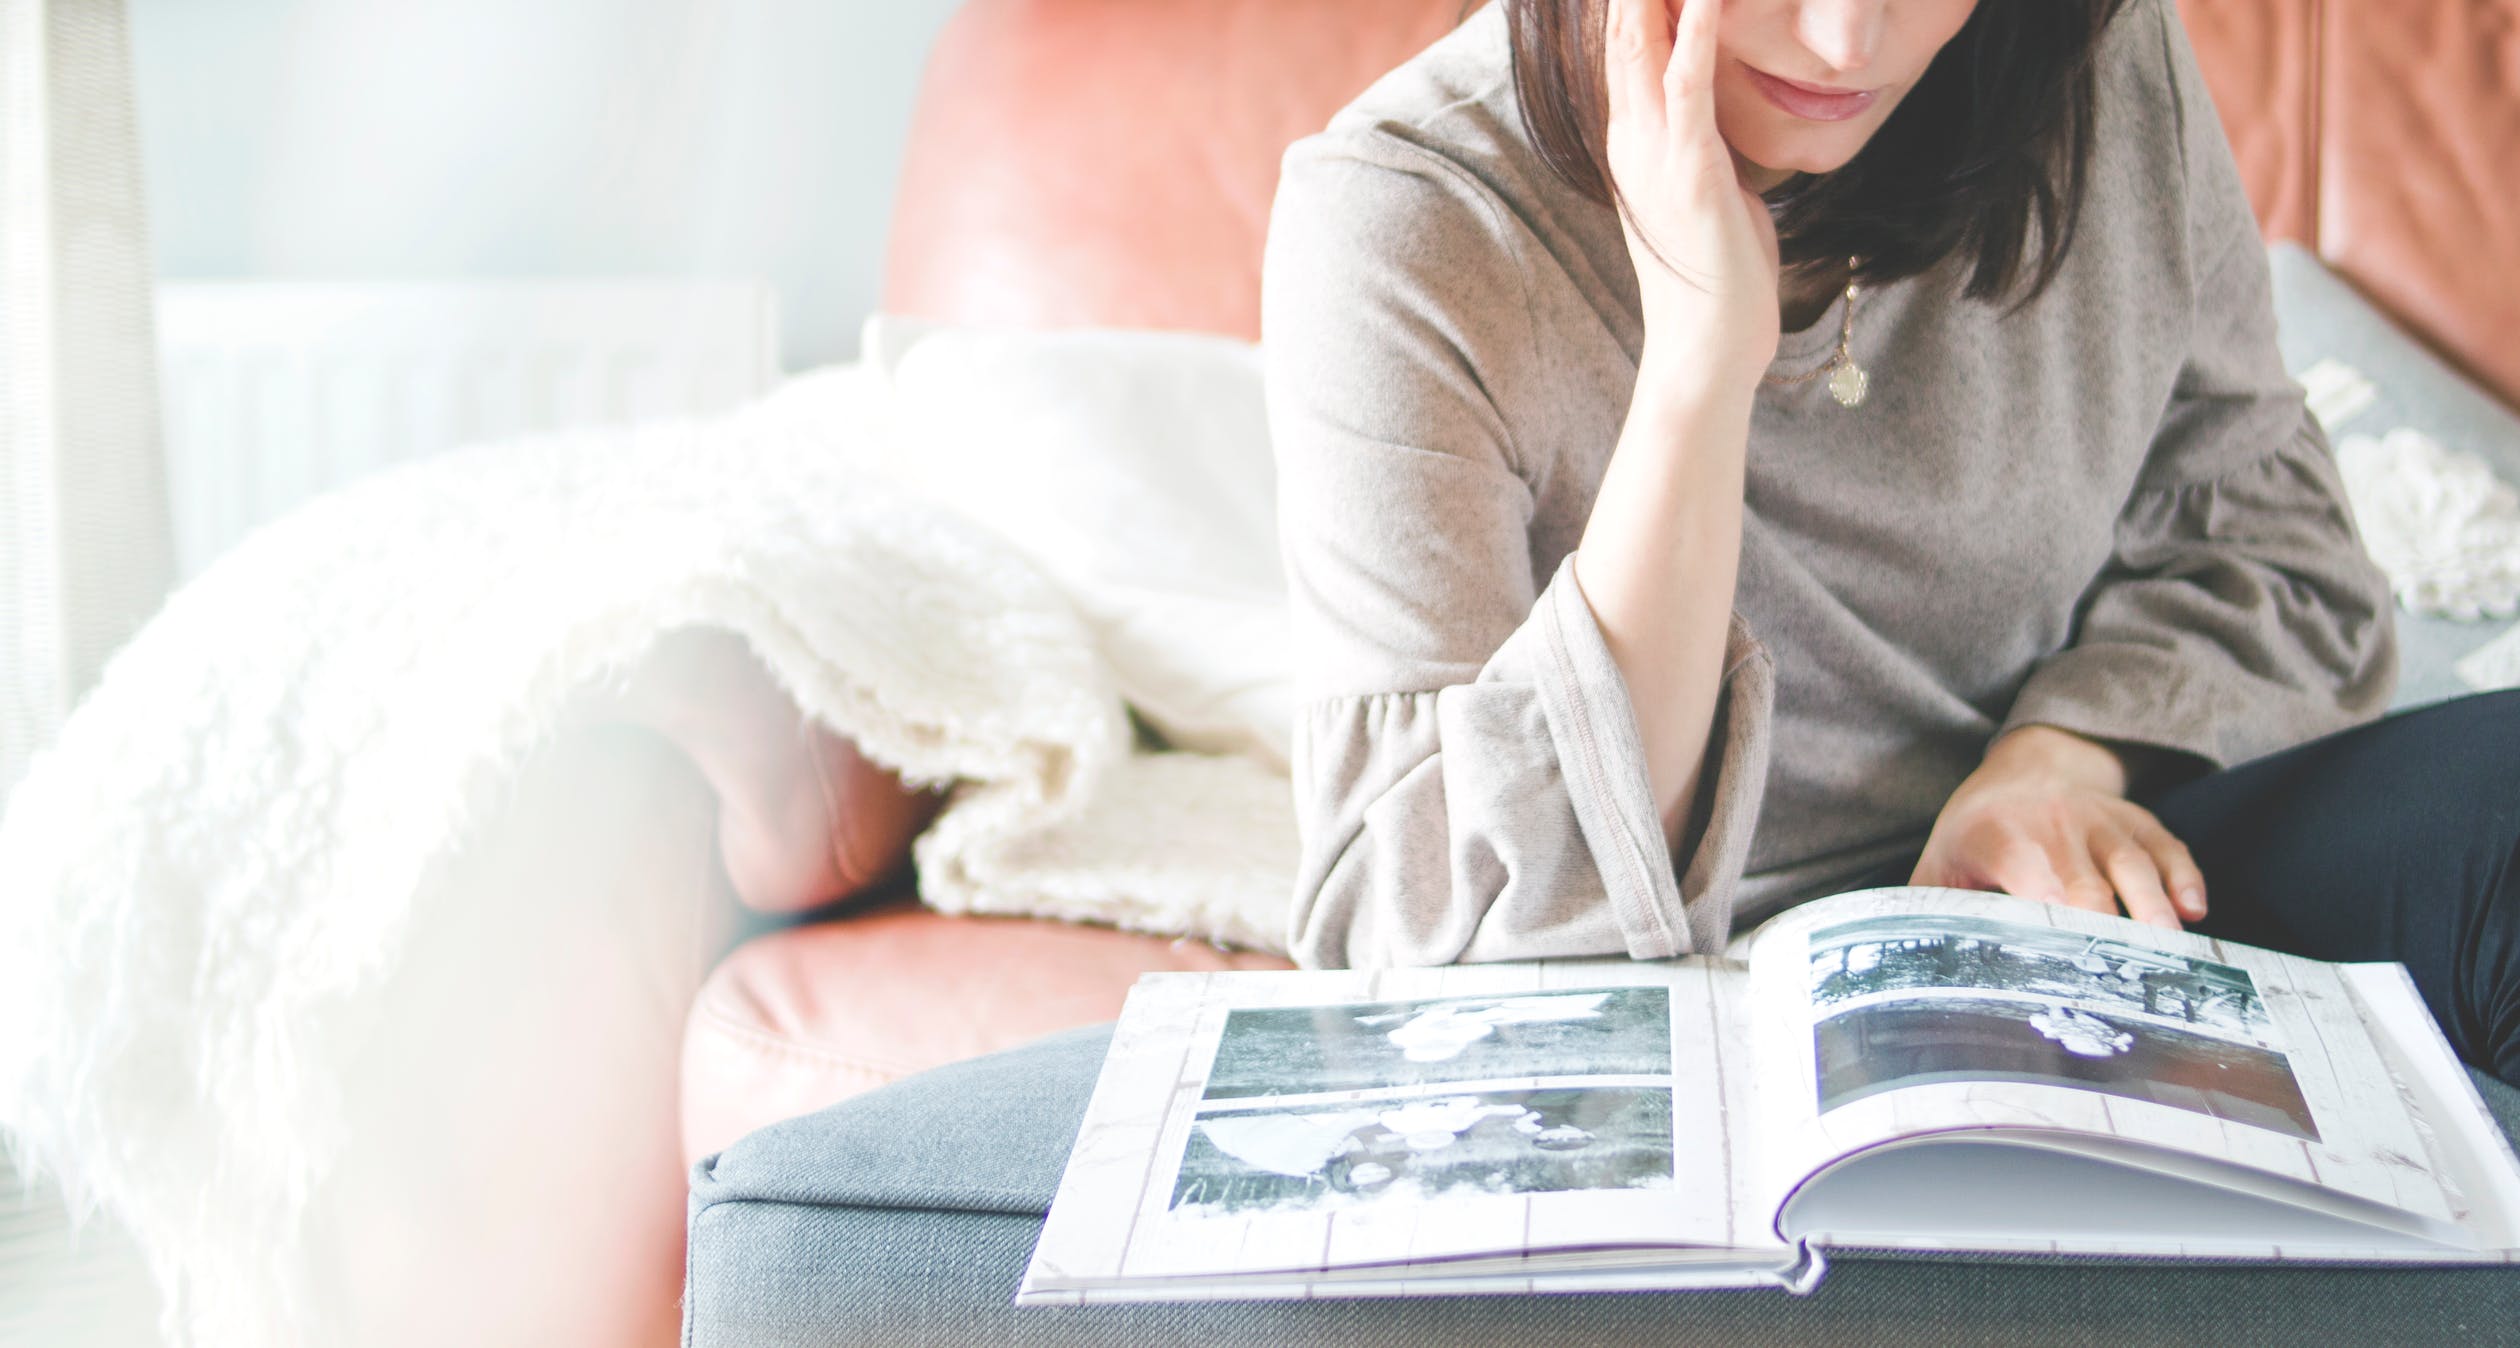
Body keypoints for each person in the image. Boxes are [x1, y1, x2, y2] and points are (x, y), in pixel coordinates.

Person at [1262, 0, 2519, 1083]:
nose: (1846, 41)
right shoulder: (1407, 220)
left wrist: (2055, 768)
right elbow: (1435, 953)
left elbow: (2274, 538)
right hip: (1700, 1019)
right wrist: (1701, 365)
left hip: (2086, 885)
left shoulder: (2084, 57)